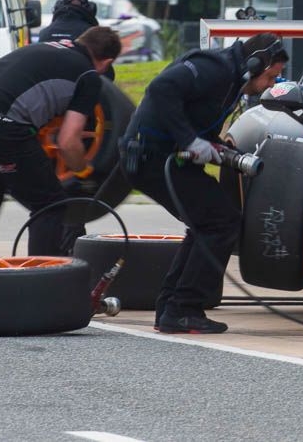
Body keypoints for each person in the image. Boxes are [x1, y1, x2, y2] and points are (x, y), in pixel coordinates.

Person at [121, 32, 288, 334]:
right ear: (255, 64)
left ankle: (173, 308)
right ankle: (183, 308)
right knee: (219, 221)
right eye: (271, 77)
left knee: (209, 221)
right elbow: (160, 89)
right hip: (150, 157)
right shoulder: (215, 68)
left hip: (161, 157)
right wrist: (189, 140)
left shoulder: (231, 80)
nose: (272, 85)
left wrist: (221, 151)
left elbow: (196, 117)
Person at [0, 27, 121, 258]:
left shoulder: (44, 47)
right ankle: (40, 277)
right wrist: (83, 170)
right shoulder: (88, 75)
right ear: (107, 62)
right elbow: (68, 141)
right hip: (0, 124)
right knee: (50, 205)